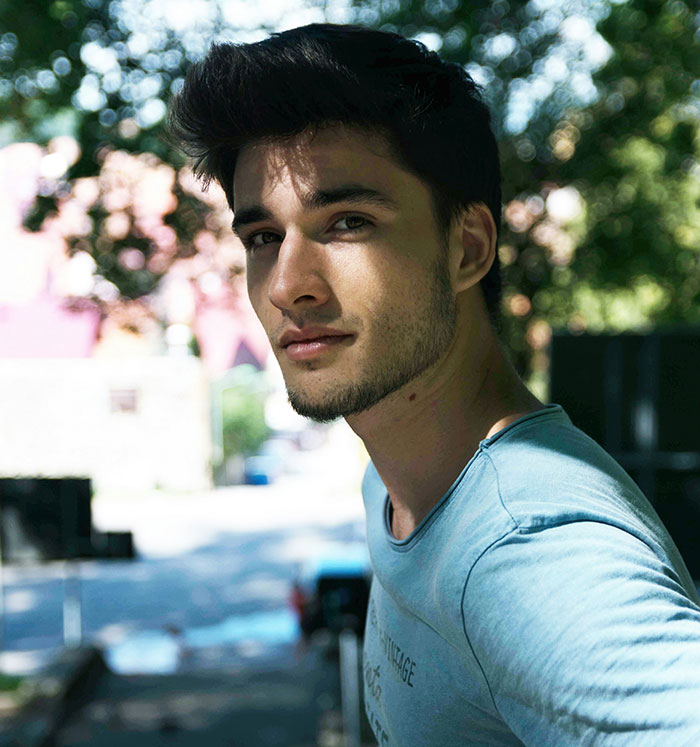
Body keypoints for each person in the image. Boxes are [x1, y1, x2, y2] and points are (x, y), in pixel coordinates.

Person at [168, 23, 700, 745]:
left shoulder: (527, 551)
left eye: (348, 221)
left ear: (468, 247)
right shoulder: (395, 487)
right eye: (264, 237)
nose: (289, 285)